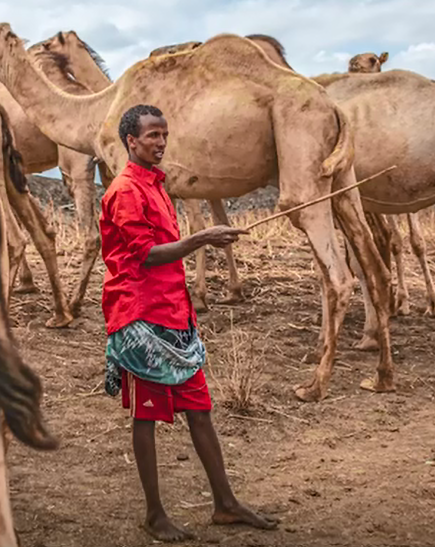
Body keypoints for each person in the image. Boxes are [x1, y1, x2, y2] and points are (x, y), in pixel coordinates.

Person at [99, 104, 278, 542]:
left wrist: (201, 241)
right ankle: (155, 515)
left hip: (174, 315)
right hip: (141, 318)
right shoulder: (125, 192)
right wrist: (201, 239)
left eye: (164, 134)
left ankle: (225, 503)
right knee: (145, 418)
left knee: (200, 411)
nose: (161, 143)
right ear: (130, 142)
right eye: (152, 136)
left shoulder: (157, 187)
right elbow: (144, 255)